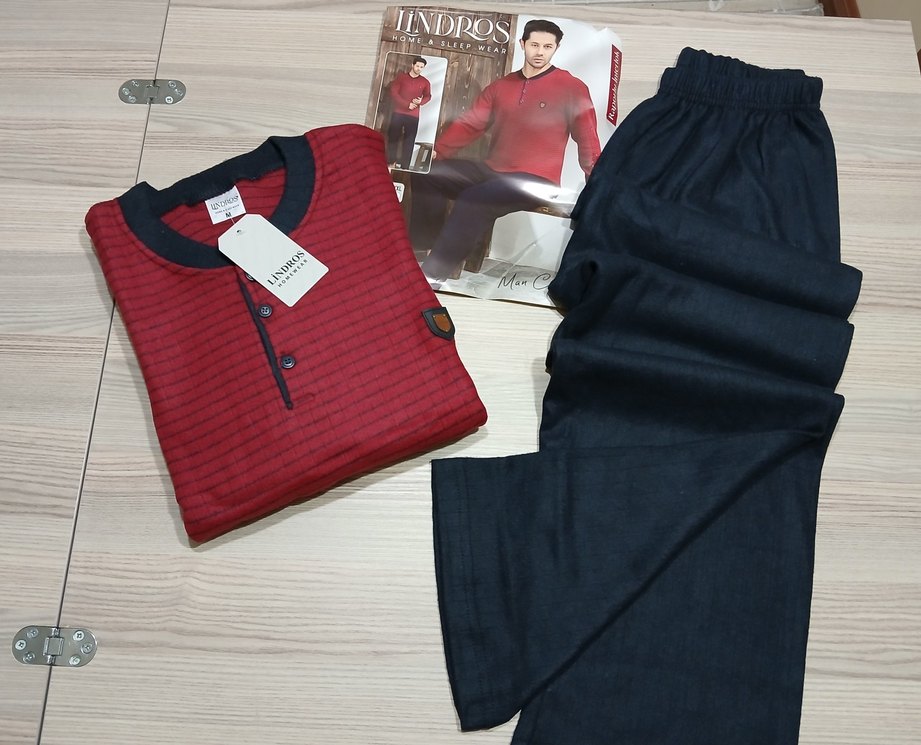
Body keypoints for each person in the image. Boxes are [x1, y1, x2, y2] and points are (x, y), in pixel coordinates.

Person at [410, 19, 601, 283]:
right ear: (523, 44)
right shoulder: (501, 86)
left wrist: (598, 185)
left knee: (475, 198)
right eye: (534, 44)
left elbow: (588, 139)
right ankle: (422, 250)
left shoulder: (573, 87)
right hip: (493, 170)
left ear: (556, 48)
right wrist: (438, 151)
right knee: (428, 173)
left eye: (547, 47)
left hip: (536, 181)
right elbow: (471, 123)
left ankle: (431, 275)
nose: (540, 52)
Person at [386, 56, 432, 169]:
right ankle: (391, 162)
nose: (419, 69)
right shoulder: (401, 78)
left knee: (409, 141)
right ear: (412, 65)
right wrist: (407, 104)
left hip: (413, 116)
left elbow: (428, 96)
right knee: (393, 137)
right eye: (417, 66)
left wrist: (421, 101)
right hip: (398, 113)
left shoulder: (425, 82)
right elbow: (393, 92)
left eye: (421, 67)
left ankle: (405, 167)